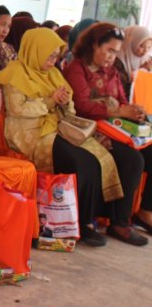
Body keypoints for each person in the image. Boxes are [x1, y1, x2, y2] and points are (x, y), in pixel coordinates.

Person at [0, 27, 141, 247]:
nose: (53, 60)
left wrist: (64, 103)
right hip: (29, 133)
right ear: (36, 50)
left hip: (56, 127)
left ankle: (83, 222)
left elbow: (71, 108)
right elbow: (18, 109)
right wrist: (51, 101)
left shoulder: (54, 74)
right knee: (79, 161)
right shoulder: (15, 73)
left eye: (56, 56)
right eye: (50, 55)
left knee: (93, 160)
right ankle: (74, 223)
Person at [62, 23, 149, 244]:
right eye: (109, 50)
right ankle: (119, 223)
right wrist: (118, 110)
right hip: (87, 129)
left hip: (114, 127)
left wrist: (132, 111)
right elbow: (81, 106)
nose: (112, 57)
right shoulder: (76, 69)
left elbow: (121, 99)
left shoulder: (111, 72)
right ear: (94, 45)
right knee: (132, 160)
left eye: (116, 52)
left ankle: (145, 211)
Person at [114, 25, 152, 97]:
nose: (145, 51)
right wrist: (140, 72)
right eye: (141, 46)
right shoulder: (117, 61)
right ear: (131, 43)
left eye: (149, 47)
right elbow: (122, 91)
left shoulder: (147, 60)